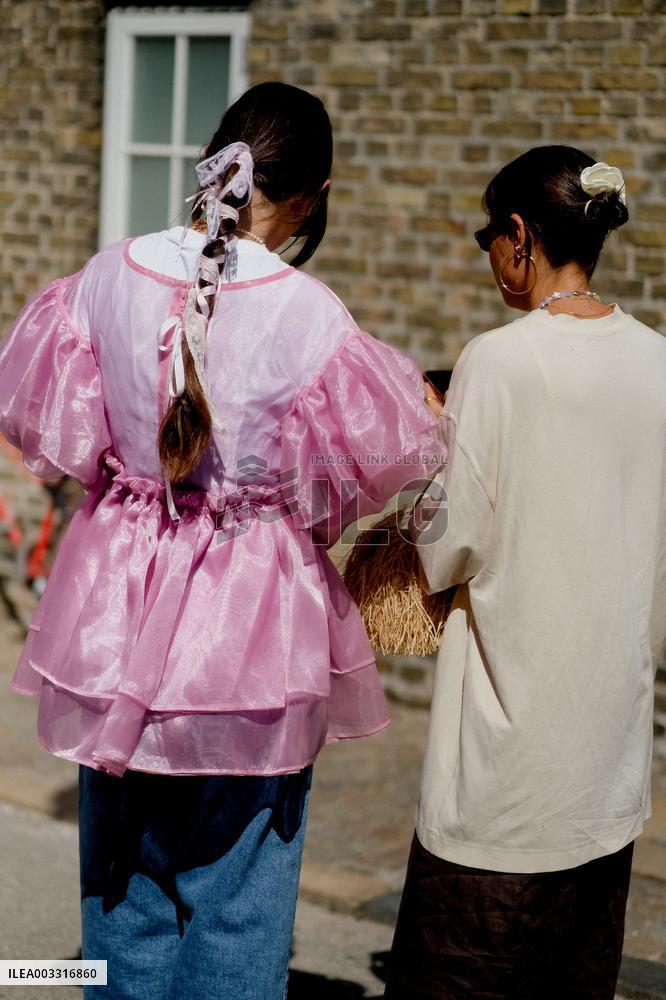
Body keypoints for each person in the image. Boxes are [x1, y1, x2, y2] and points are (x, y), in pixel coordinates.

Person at [0, 82, 445, 999]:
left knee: (120, 892)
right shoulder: (311, 315)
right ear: (312, 196)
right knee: (240, 901)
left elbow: (66, 442)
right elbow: (353, 484)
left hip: (114, 625)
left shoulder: (105, 276)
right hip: (250, 640)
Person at [384, 146, 666, 999]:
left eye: (487, 237)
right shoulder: (657, 359)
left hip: (505, 775)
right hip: (607, 757)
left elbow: (448, 548)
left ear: (518, 237)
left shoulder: (498, 361)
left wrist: (429, 441)